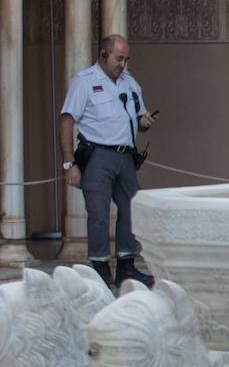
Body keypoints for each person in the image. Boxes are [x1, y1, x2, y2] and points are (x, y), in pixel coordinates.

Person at [59, 34, 157, 288]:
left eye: (125, 59)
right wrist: (69, 164)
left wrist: (144, 123)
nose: (122, 64)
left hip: (125, 156)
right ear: (103, 55)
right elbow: (67, 121)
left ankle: (126, 265)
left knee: (132, 208)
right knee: (99, 213)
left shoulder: (130, 84)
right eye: (118, 58)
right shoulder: (84, 82)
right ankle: (100, 268)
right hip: (97, 155)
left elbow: (138, 118)